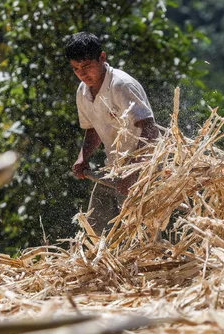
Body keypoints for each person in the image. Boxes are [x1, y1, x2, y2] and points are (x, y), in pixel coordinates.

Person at [65, 32, 159, 235]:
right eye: (76, 69)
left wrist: (134, 174)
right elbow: (93, 129)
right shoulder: (83, 92)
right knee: (96, 229)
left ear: (102, 57)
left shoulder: (121, 85)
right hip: (114, 168)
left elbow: (151, 132)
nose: (82, 73)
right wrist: (83, 157)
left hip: (144, 170)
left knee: (142, 237)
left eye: (87, 66)